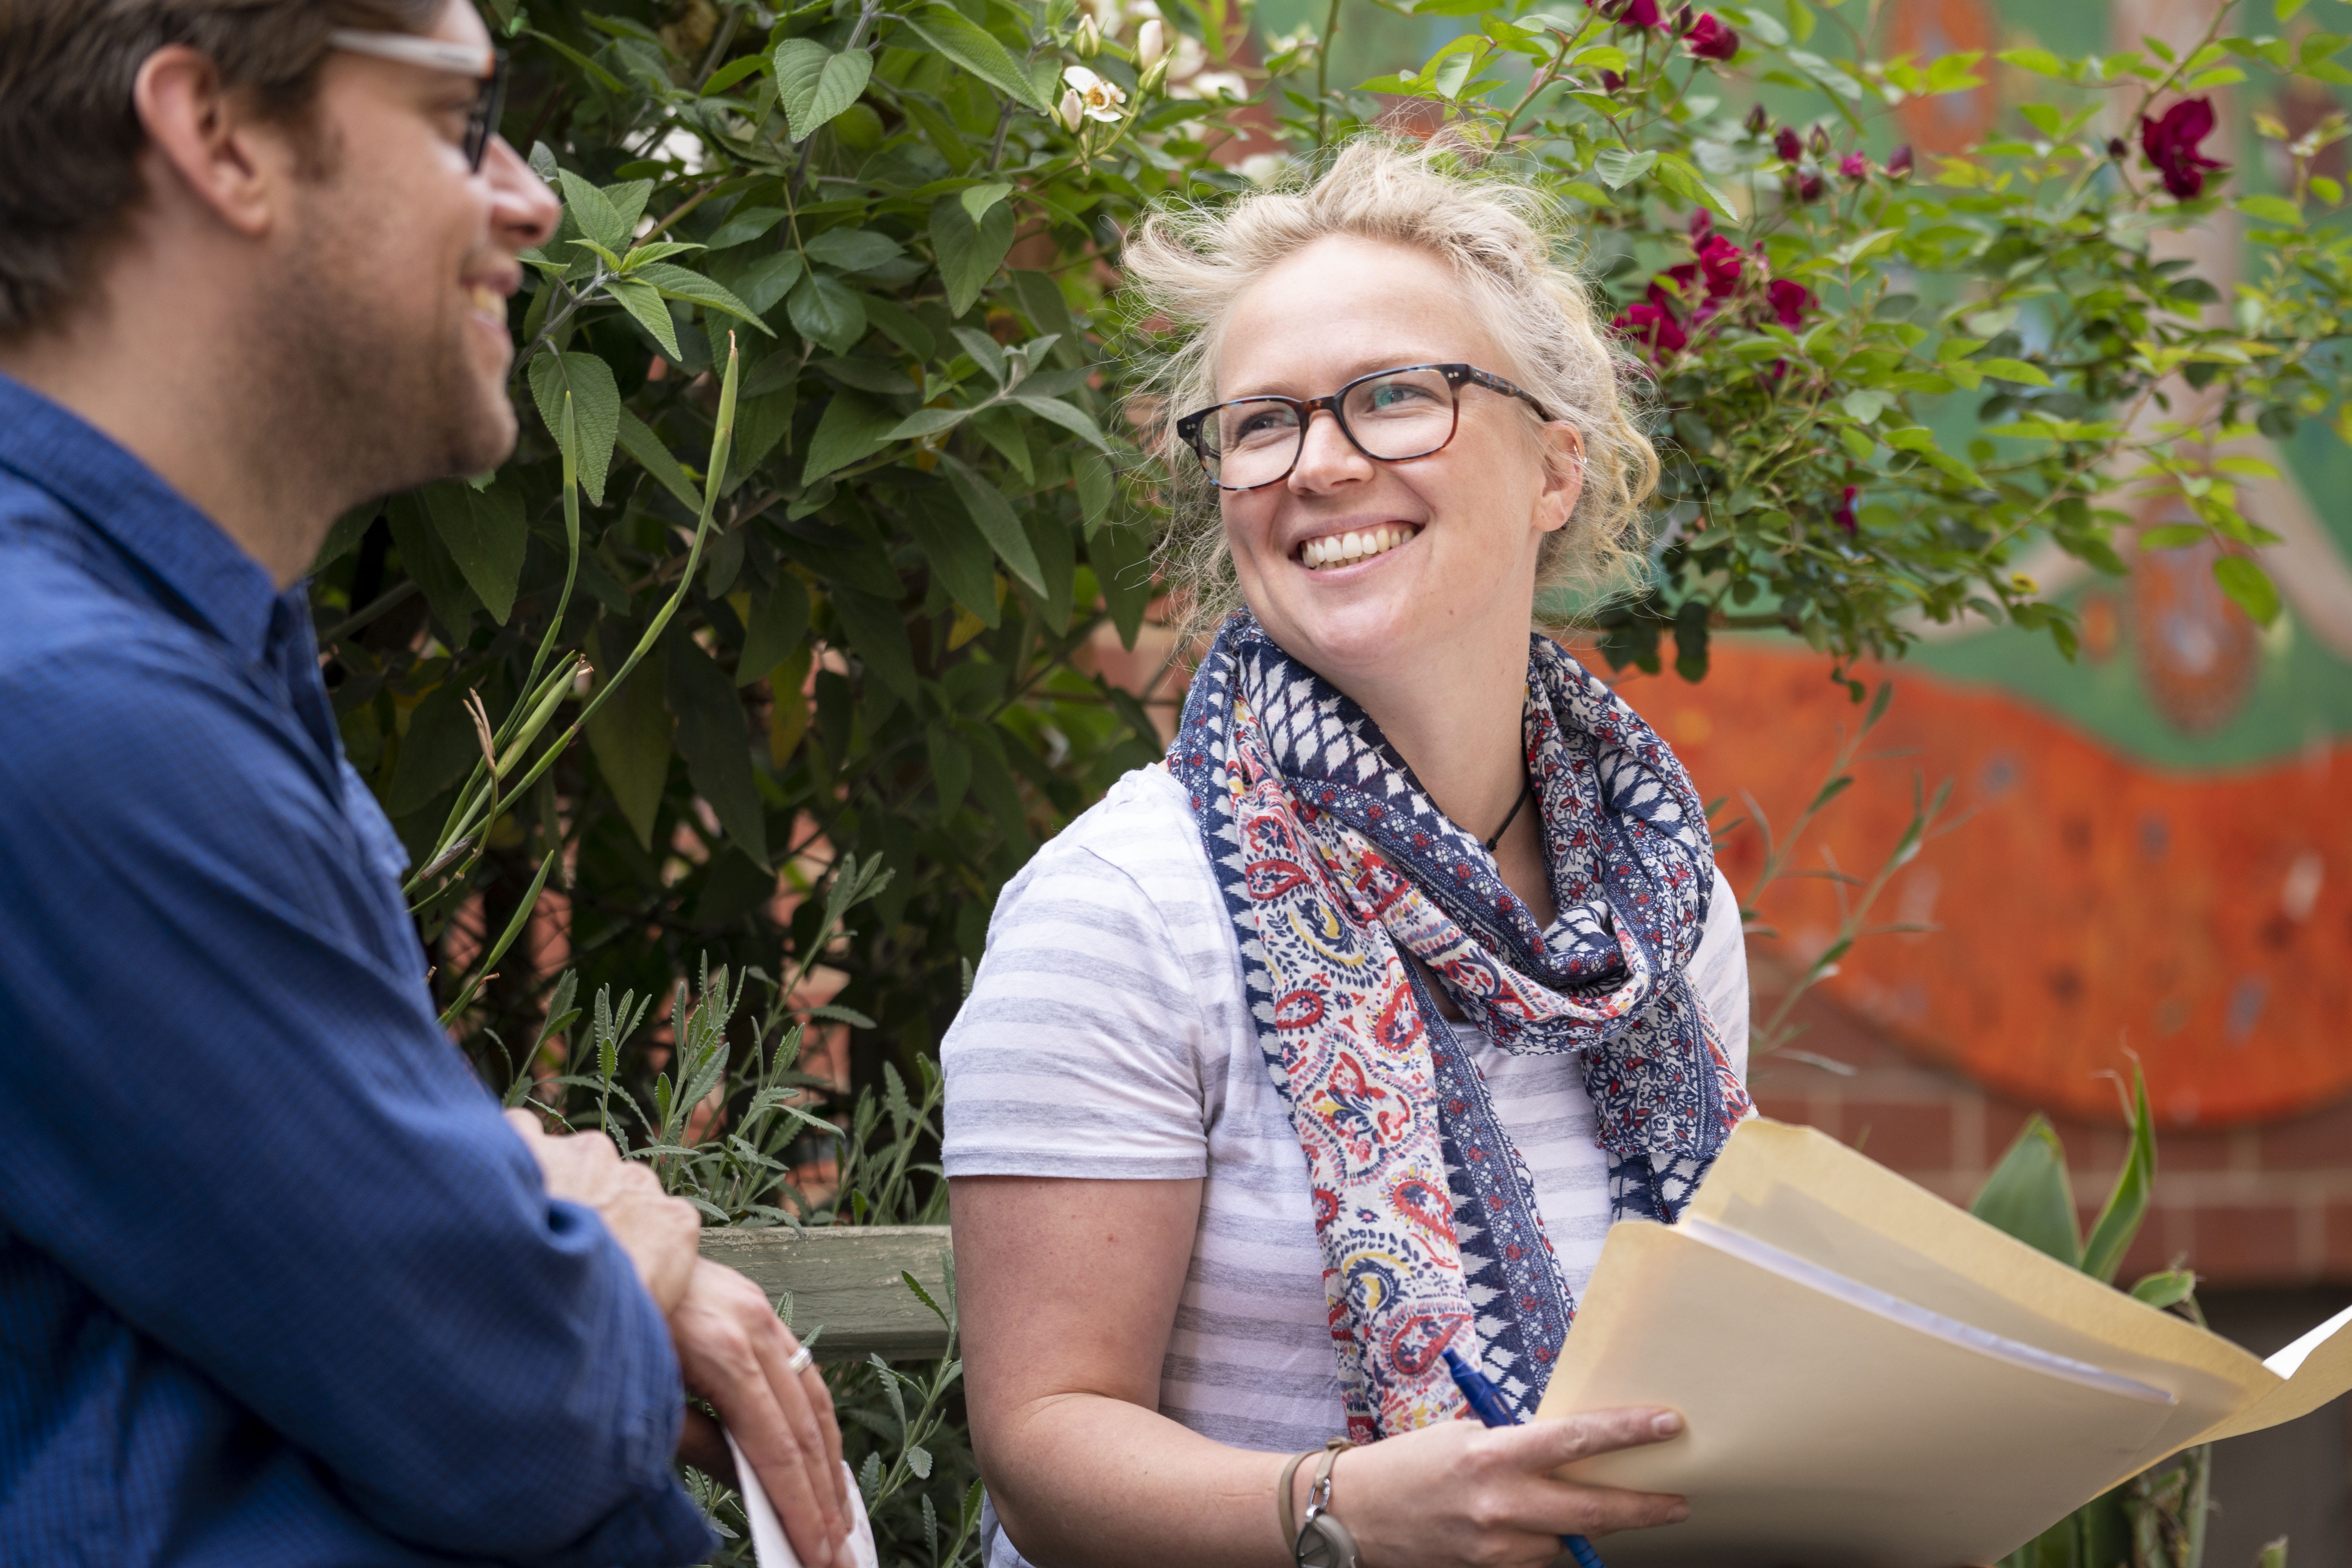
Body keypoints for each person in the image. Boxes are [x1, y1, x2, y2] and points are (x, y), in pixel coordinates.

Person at [0, 4, 851, 1565]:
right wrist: (612, 1246)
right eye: (463, 125)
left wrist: (536, 1220)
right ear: (223, 138)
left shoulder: (171, 656)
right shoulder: (75, 711)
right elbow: (516, 1401)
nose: (529, 199)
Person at [943, 140, 1757, 1568]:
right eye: (1262, 425)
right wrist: (1338, 1512)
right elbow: (1044, 1447)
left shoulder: (1662, 906)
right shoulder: (1123, 912)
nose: (1320, 465)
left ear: (1555, 467)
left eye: (1394, 397)